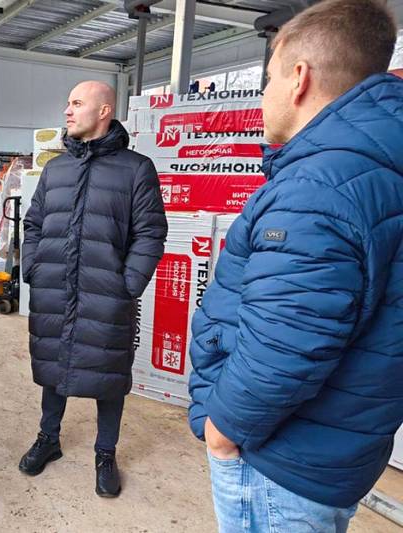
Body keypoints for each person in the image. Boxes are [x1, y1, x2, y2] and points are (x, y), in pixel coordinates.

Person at [187, 1, 403, 531]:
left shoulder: (317, 187)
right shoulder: (376, 164)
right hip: (334, 447)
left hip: (279, 462)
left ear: (299, 78)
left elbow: (286, 341)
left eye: (269, 78)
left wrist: (223, 429)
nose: (265, 94)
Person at [19, 80, 168, 497]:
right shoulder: (56, 169)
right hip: (53, 287)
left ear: (104, 111)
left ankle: (105, 452)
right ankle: (49, 438)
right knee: (53, 365)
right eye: (67, 103)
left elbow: (151, 232)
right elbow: (33, 223)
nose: (67, 111)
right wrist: (33, 267)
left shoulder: (136, 169)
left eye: (77, 103)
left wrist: (128, 283)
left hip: (108, 293)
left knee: (109, 373)